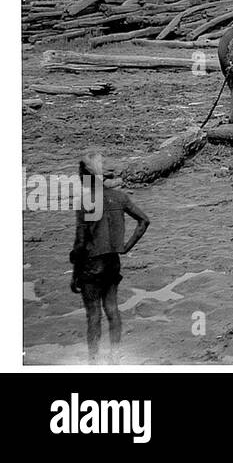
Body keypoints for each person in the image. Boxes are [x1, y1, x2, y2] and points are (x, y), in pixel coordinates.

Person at [69, 154, 149, 364]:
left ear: (86, 177)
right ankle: (115, 359)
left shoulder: (86, 202)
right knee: (112, 310)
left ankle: (93, 362)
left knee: (94, 316)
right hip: (113, 262)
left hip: (92, 265)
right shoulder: (120, 197)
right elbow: (144, 221)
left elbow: (80, 242)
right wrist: (125, 247)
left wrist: (76, 273)